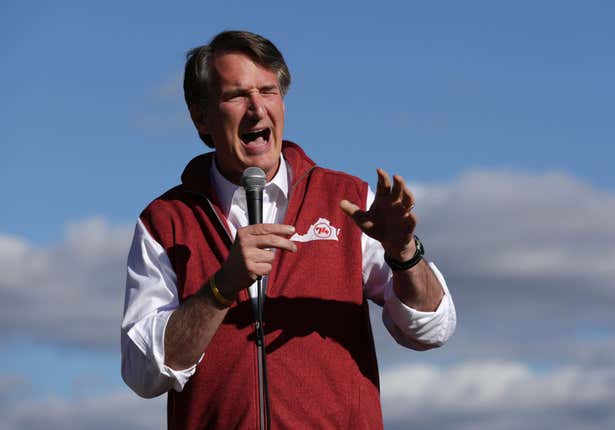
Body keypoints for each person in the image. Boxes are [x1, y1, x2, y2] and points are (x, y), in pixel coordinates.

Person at [121, 30, 456, 429]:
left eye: (268, 91)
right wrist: (220, 288)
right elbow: (144, 373)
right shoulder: (166, 221)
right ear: (200, 116)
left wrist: (404, 255)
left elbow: (431, 329)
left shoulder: (345, 199)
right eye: (235, 95)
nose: (257, 109)